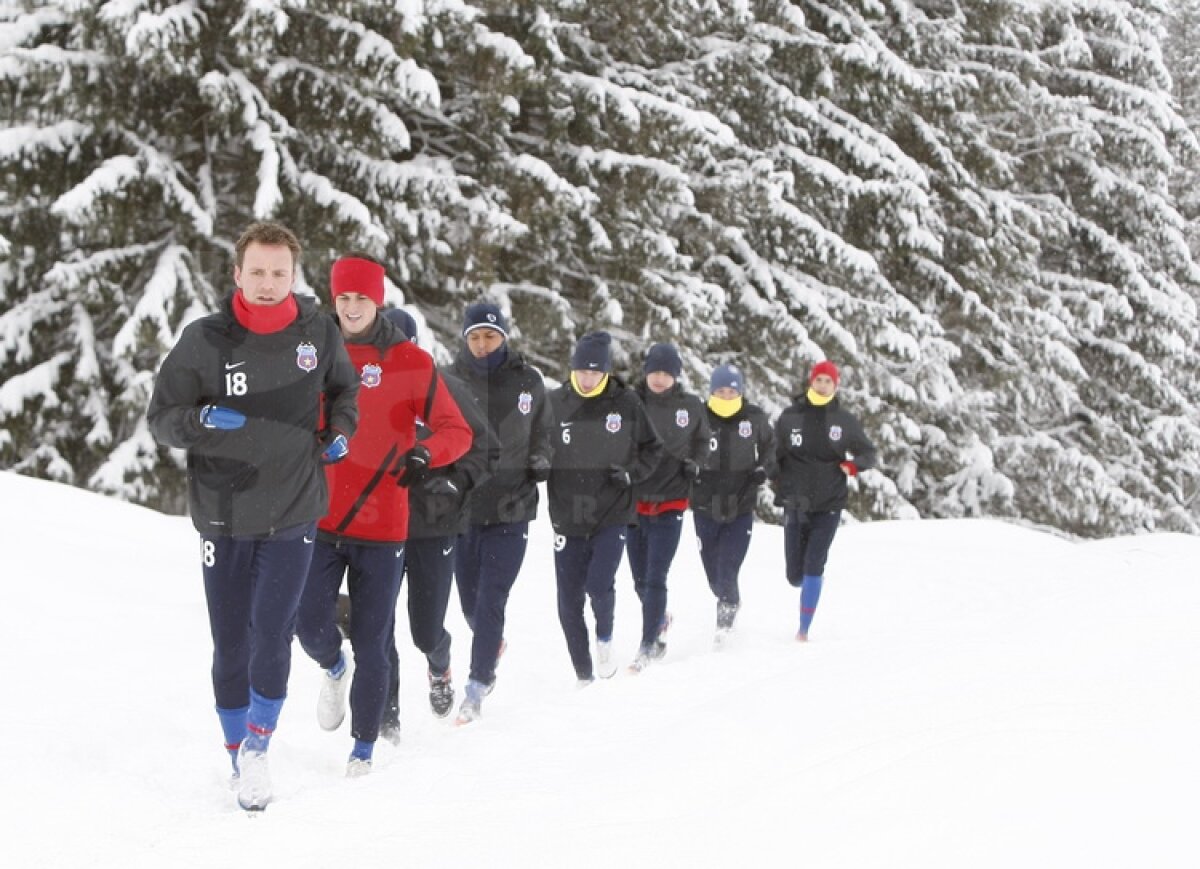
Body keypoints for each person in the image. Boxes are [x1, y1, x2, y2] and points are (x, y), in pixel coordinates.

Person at [146, 221, 360, 812]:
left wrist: (341, 432)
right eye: (257, 272)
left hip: (293, 510)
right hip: (223, 513)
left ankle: (260, 750)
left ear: (294, 276)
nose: (268, 284)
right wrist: (201, 423)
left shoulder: (317, 330)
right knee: (229, 644)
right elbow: (163, 417)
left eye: (279, 273)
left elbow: (345, 393)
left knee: (272, 633)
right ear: (237, 274)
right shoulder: (204, 341)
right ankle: (235, 747)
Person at [295, 255, 471, 776]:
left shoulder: (411, 361)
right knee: (308, 625)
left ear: (378, 301)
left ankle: (363, 750)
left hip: (384, 524)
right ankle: (332, 666)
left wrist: (424, 454)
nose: (351, 308)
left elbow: (456, 431)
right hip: (322, 519)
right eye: (344, 298)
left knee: (375, 640)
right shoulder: (313, 355)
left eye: (361, 299)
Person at [376, 308, 497, 740]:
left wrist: (454, 481)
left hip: (433, 526)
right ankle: (385, 720)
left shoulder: (445, 388)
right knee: (378, 629)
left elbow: (486, 448)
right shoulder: (362, 388)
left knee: (424, 629)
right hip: (377, 527)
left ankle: (439, 664)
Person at [446, 302, 554, 724]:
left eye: (490, 336)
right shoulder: (450, 379)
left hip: (513, 506)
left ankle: (477, 685)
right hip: (463, 508)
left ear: (504, 337)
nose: (482, 344)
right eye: (475, 337)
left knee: (493, 597)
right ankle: (491, 644)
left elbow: (544, 430)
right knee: (470, 600)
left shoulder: (528, 381)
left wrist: (542, 458)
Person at [547, 331, 664, 683]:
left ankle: (604, 640)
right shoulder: (555, 402)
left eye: (595, 372)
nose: (587, 379)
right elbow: (533, 447)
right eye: (582, 371)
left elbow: (652, 449)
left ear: (606, 372)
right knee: (568, 603)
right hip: (567, 514)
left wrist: (632, 474)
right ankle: (584, 674)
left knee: (598, 585)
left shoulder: (626, 402)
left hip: (613, 510)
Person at [772, 360, 876, 641]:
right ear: (811, 382)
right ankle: (806, 584)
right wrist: (773, 478)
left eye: (828, 381)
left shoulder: (844, 421)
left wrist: (854, 466)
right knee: (795, 575)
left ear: (835, 385)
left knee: (814, 564)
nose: (822, 385)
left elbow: (869, 453)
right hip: (797, 501)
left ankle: (803, 629)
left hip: (829, 501)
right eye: (819, 380)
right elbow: (774, 454)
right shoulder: (790, 417)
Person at [625, 343, 709, 671]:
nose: (659, 379)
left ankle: (647, 645)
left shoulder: (690, 405)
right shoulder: (631, 403)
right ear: (645, 373)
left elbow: (703, 441)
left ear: (676, 376)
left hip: (672, 499)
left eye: (666, 373)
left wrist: (695, 463)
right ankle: (659, 619)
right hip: (635, 501)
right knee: (638, 579)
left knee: (656, 575)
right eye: (655, 372)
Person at [691, 363, 775, 647]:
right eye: (721, 391)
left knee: (728, 569)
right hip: (705, 505)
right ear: (712, 391)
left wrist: (763, 469)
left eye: (732, 391)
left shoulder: (754, 417)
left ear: (740, 392)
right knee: (714, 576)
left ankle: (724, 629)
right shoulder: (699, 416)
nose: (726, 396)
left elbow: (771, 448)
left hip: (741, 505)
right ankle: (729, 599)